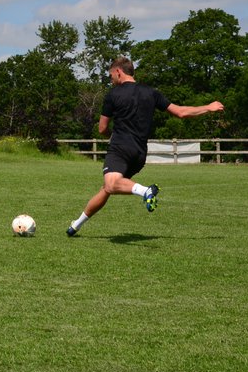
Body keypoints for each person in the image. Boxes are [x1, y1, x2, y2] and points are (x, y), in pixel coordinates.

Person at [66, 56, 223, 237]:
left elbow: (101, 128)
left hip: (120, 149)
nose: (111, 80)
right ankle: (76, 225)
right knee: (108, 187)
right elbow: (181, 112)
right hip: (139, 154)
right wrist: (208, 107)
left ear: (118, 71)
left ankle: (145, 191)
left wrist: (112, 136)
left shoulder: (113, 95)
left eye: (111, 76)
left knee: (111, 184)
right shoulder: (151, 92)